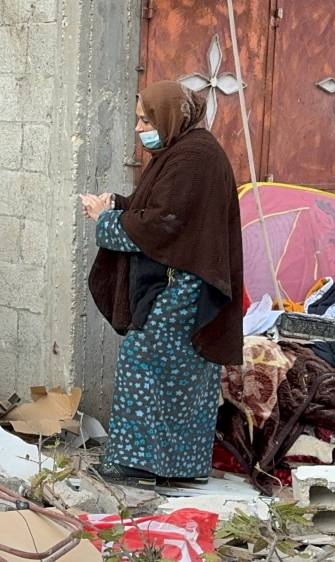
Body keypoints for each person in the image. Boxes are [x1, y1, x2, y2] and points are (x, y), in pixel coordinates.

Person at [81, 80, 244, 488]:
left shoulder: (193, 158)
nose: (139, 128)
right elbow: (161, 210)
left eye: (145, 119)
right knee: (183, 378)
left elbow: (163, 225)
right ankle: (179, 467)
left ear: (168, 117)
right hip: (187, 284)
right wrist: (116, 205)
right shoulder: (184, 151)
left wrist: (107, 221)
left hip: (180, 289)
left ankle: (136, 464)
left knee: (143, 362)